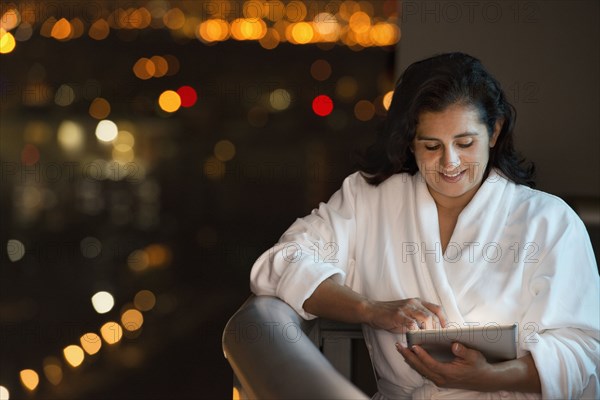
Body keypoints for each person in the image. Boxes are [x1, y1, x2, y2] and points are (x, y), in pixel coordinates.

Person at [250, 52, 599, 399]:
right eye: (431, 145)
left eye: (465, 143)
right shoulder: (371, 201)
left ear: (494, 131)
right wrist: (369, 309)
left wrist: (490, 377)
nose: (450, 162)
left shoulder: (549, 221)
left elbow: (582, 348)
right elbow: (282, 261)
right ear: (410, 142)